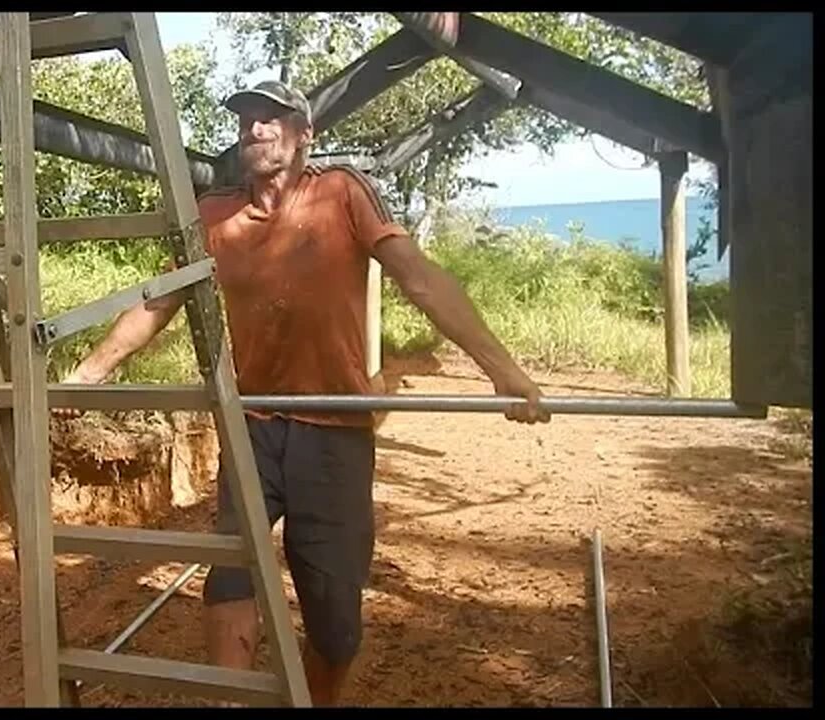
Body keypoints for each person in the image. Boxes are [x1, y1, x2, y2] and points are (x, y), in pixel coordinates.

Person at [60, 80, 550, 706]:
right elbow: (162, 299)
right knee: (230, 576)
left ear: (304, 134)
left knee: (334, 622)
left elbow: (418, 278)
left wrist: (500, 369)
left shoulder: (342, 193)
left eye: (272, 119)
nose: (256, 129)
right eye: (247, 119)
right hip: (252, 427)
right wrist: (90, 373)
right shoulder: (214, 213)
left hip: (335, 433)